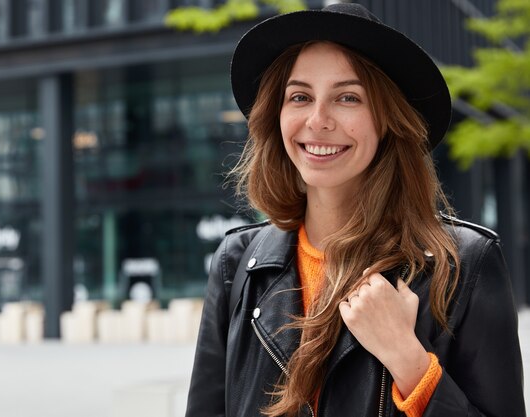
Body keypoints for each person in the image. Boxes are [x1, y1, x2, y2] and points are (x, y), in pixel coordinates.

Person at [185, 3, 525, 417]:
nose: (318, 119)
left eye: (347, 97)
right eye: (299, 96)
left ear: (387, 118)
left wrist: (409, 360)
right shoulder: (237, 266)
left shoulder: (464, 266)